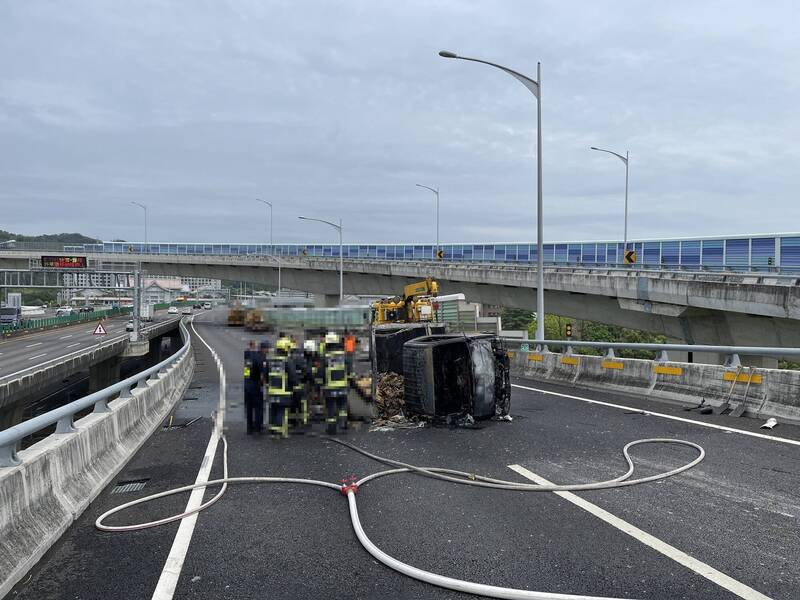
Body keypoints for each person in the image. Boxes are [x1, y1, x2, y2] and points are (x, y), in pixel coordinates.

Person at [243, 341, 264, 434]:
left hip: (247, 384)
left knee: (249, 408)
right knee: (258, 407)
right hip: (256, 385)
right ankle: (258, 427)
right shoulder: (258, 358)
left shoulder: (247, 357)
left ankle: (249, 428)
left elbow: (246, 372)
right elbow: (262, 374)